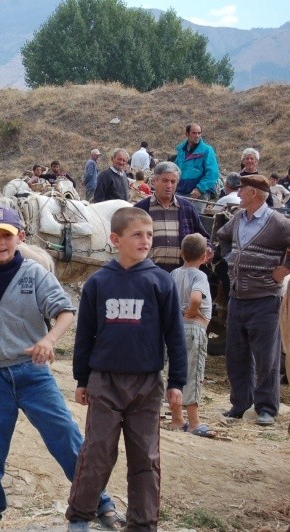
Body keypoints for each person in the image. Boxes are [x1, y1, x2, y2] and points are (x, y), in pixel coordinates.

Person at [0, 206, 121, 532]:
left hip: (33, 373)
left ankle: (100, 503)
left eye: (7, 234)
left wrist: (48, 340)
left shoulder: (35, 274)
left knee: (67, 439)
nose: (1, 242)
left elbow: (64, 312)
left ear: (20, 237)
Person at [66, 207, 187, 531]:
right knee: (97, 453)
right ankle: (80, 516)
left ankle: (143, 524)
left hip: (147, 385)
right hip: (104, 382)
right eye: (137, 234)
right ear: (115, 239)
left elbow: (175, 335)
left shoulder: (160, 282)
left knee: (145, 458)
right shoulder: (98, 283)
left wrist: (177, 380)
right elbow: (85, 335)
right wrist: (81, 379)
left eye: (149, 235)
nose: (145, 240)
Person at [217, 175, 290, 426]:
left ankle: (266, 408)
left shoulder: (276, 222)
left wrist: (286, 269)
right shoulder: (238, 219)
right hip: (238, 297)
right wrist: (229, 257)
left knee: (267, 357)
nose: (238, 193)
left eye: (242, 189)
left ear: (254, 193)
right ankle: (240, 404)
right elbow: (222, 235)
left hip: (264, 298)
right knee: (236, 355)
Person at [167, 233, 215, 438]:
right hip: (193, 329)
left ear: (181, 253)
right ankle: (194, 423)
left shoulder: (174, 274)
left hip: (175, 329)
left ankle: (178, 419)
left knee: (176, 373)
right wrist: (193, 310)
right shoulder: (200, 276)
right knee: (193, 374)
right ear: (205, 256)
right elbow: (196, 298)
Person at [134, 161, 211, 273]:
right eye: (165, 180)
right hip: (148, 275)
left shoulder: (187, 208)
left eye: (173, 181)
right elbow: (129, 241)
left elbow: (203, 236)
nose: (169, 186)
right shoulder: (140, 209)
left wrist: (207, 248)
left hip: (181, 275)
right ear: (154, 181)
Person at [175, 123, 220, 207]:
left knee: (195, 218)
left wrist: (200, 189)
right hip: (180, 192)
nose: (197, 136)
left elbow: (213, 173)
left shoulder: (207, 150)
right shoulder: (181, 150)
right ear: (187, 134)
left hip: (198, 195)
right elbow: (176, 170)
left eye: (199, 133)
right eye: (194, 133)